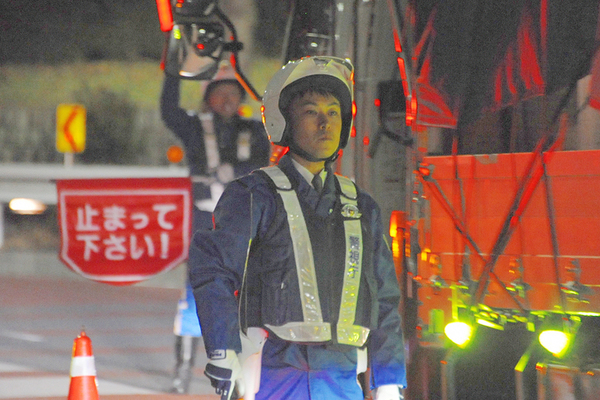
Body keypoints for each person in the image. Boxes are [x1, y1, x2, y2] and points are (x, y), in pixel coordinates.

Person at [189, 56, 406, 400]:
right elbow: (212, 269)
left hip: (344, 378)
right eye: (310, 112)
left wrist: (389, 378)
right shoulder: (254, 195)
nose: (325, 124)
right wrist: (223, 350)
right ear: (284, 121)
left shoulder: (361, 206)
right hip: (275, 375)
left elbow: (384, 298)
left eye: (333, 112)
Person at [160, 60, 272, 394]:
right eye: (219, 93)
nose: (226, 100)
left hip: (243, 225)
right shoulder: (194, 128)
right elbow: (168, 110)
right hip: (203, 226)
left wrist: (236, 171)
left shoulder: (253, 131)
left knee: (246, 297)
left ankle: (241, 371)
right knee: (196, 296)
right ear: (208, 97)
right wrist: (174, 69)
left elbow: (264, 161)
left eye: (232, 94)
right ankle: (182, 369)